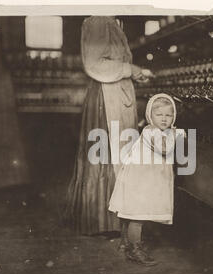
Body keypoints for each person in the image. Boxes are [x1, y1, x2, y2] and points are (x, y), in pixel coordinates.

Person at [64, 16, 153, 241]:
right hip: (106, 98)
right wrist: (131, 69)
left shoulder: (110, 20)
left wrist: (135, 73)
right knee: (108, 155)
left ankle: (113, 219)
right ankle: (103, 221)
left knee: (115, 154)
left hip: (115, 93)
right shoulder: (99, 21)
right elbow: (94, 65)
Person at [109, 93, 184, 266]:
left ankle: (125, 242)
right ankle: (135, 250)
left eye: (169, 115)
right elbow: (165, 149)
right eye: (159, 115)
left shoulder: (160, 130)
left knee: (132, 212)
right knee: (138, 215)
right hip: (141, 180)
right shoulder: (151, 131)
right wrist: (177, 135)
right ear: (150, 116)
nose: (164, 119)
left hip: (143, 177)